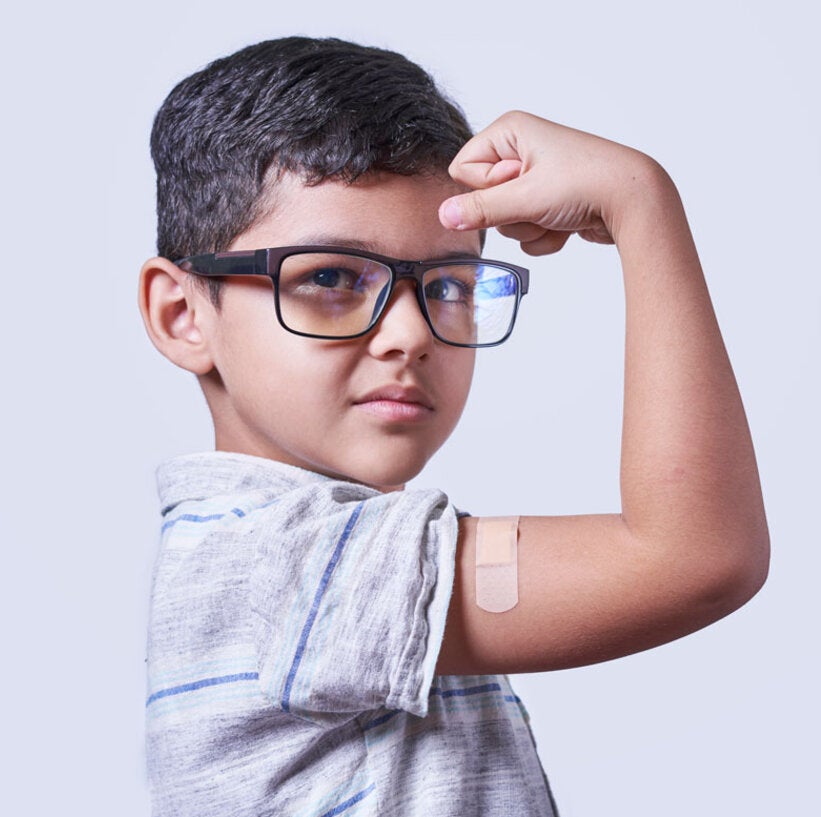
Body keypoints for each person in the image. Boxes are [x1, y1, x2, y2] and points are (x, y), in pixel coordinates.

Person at [137, 36, 769, 815]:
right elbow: (700, 555)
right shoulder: (289, 565)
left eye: (448, 282)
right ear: (181, 313)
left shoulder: (273, 551)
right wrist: (640, 201)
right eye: (330, 277)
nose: (411, 333)